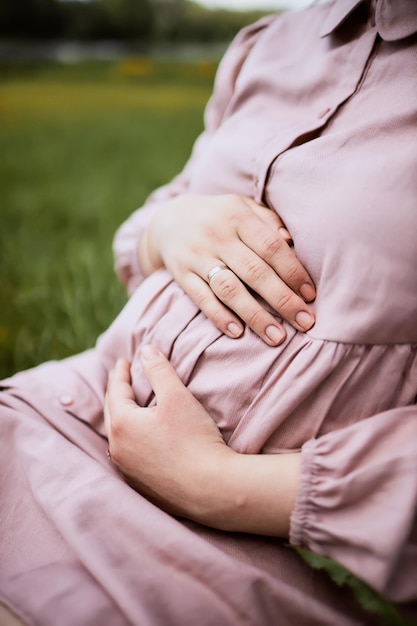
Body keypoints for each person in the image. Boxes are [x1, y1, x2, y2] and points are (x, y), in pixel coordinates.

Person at [1, 0, 417, 624]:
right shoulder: (272, 42)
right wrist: (170, 227)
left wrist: (216, 484)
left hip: (234, 537)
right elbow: (163, 212)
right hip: (72, 412)